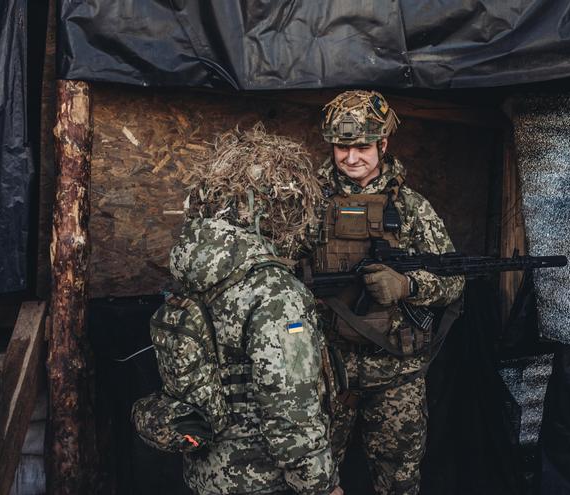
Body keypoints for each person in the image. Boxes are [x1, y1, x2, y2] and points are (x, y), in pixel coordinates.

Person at [139, 124, 342, 495]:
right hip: (262, 482)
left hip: (206, 478)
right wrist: (321, 486)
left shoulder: (195, 274)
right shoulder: (276, 293)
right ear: (274, 209)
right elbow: (290, 409)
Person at [304, 90, 465, 494]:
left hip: (397, 373)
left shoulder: (411, 209)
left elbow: (454, 280)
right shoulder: (305, 204)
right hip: (324, 371)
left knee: (399, 482)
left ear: (383, 144)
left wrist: (409, 284)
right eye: (343, 146)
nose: (351, 157)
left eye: (362, 146)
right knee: (312, 481)